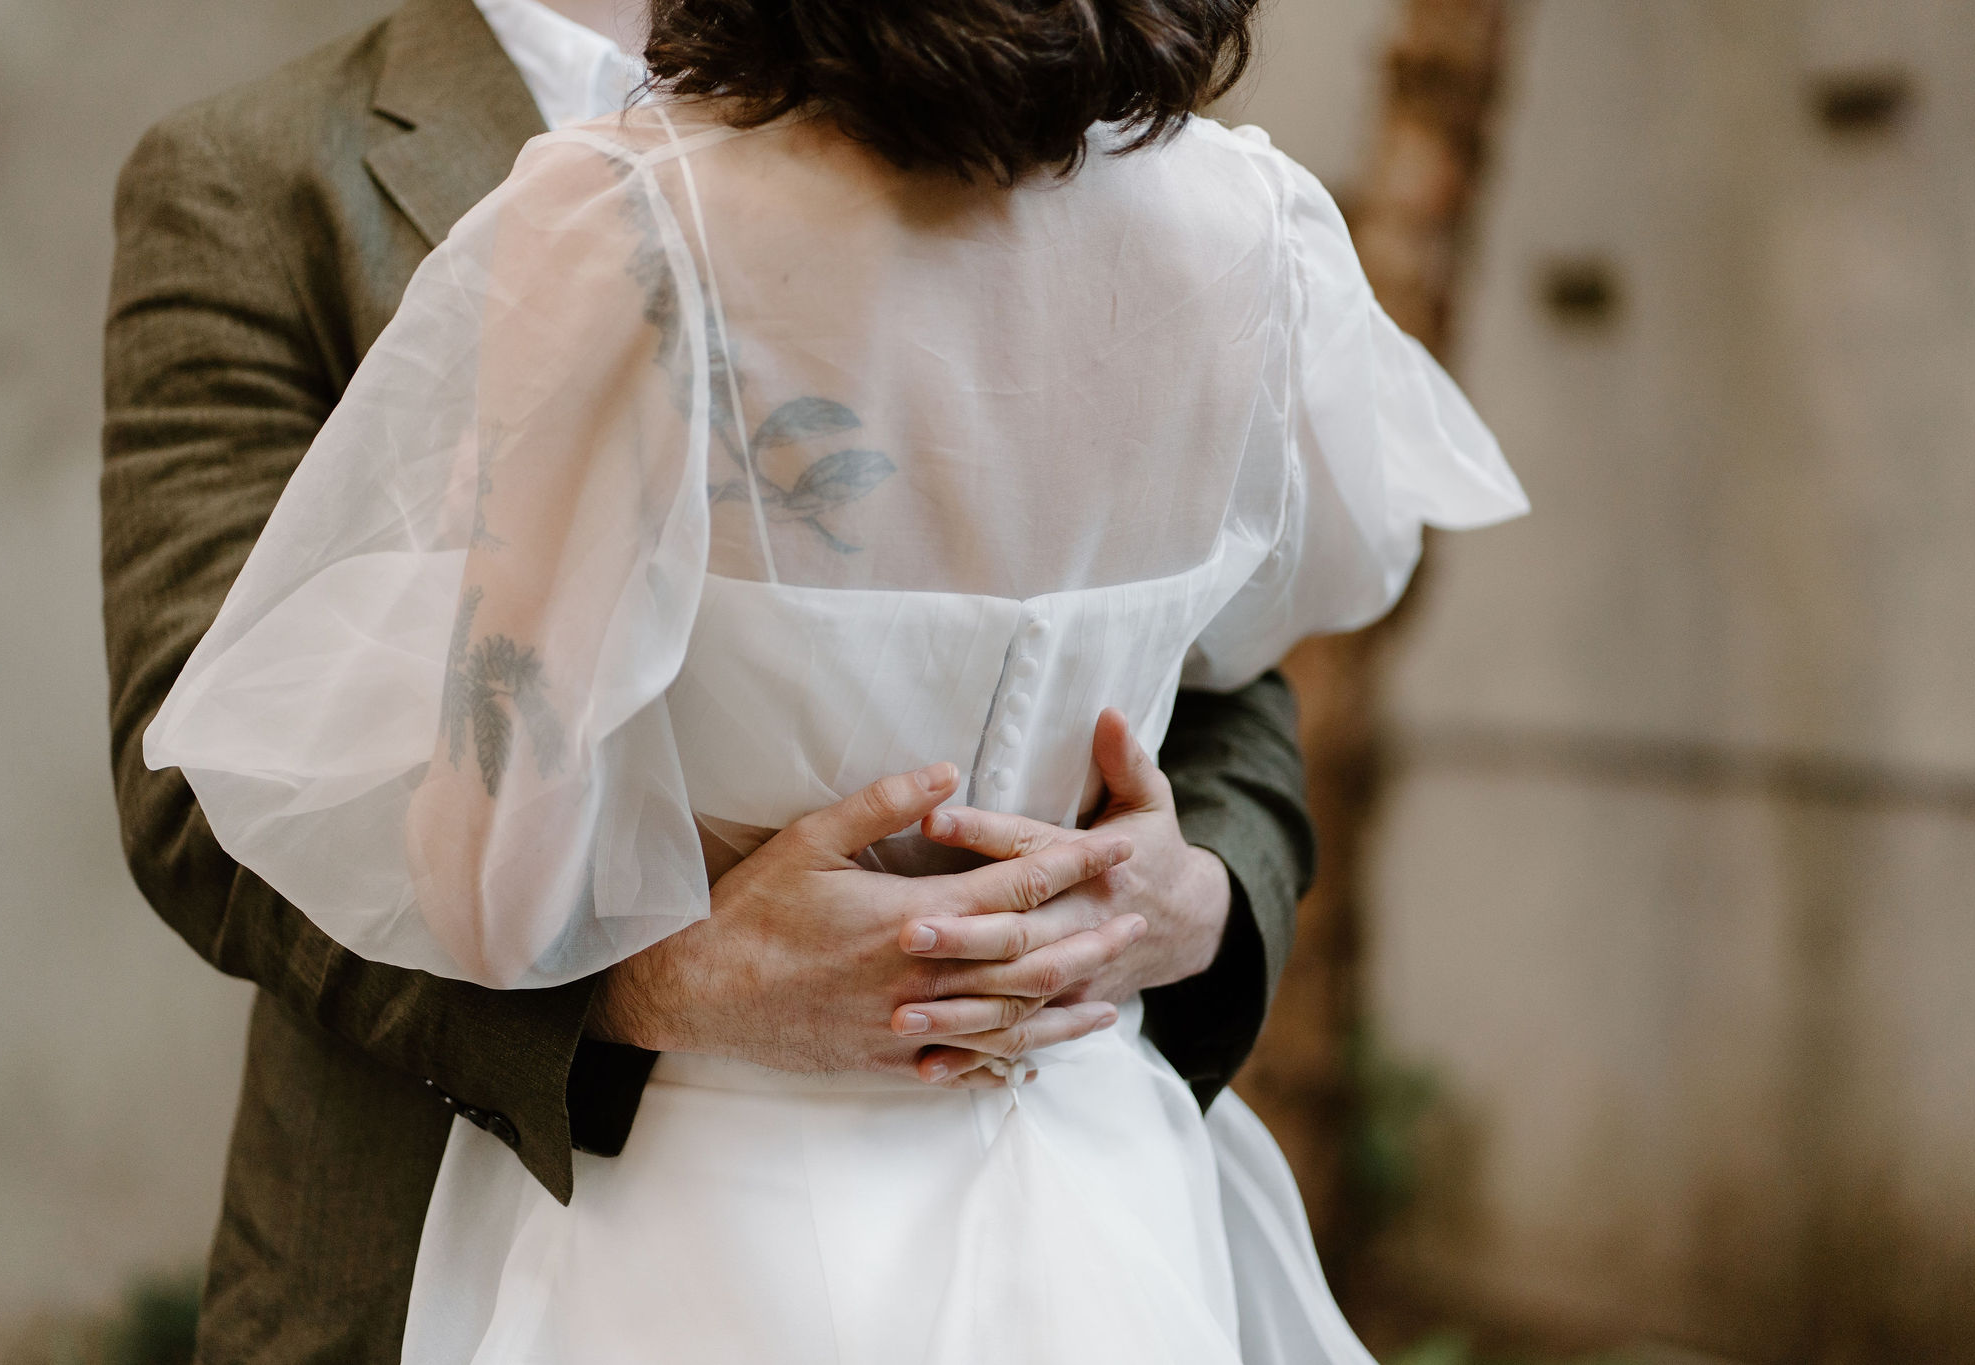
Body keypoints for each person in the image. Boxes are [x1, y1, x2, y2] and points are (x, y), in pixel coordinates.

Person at [101, 1, 1328, 1359]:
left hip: (848, 1202)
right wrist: (657, 978)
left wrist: (1192, 894)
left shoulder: (648, 207)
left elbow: (1228, 684)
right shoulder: (251, 173)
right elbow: (193, 777)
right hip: (554, 1214)